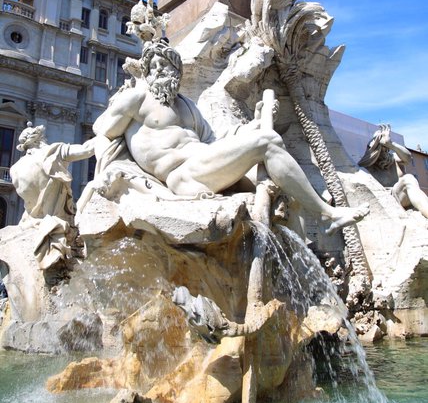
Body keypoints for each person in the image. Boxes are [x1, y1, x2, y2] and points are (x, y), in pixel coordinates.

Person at [92, 41, 368, 235]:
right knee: (267, 142)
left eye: (165, 66)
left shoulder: (187, 106)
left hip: (206, 165)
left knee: (280, 194)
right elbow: (102, 132)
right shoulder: (137, 98)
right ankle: (326, 213)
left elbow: (215, 143)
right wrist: (114, 173)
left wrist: (256, 122)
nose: (159, 72)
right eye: (153, 67)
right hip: (181, 176)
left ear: (177, 72)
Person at [10, 123, 95, 270]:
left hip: (31, 224)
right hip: (58, 225)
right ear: (39, 140)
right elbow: (87, 150)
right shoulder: (53, 152)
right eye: (45, 137)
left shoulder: (15, 169)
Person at [359, 124, 428, 219]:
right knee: (407, 179)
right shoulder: (366, 166)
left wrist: (391, 144)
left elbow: (408, 158)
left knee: (408, 178)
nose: (386, 151)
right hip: (387, 200)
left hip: (402, 195)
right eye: (383, 148)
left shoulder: (392, 158)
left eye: (386, 149)